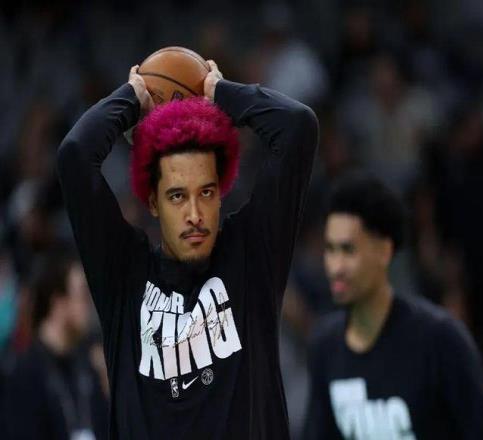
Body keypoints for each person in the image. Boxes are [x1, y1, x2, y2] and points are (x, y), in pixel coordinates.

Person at [56, 59, 318, 439]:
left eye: (206, 193)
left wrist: (219, 93)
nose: (194, 214)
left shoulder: (252, 252)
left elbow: (298, 126)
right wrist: (133, 97)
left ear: (221, 192)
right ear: (152, 202)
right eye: (177, 196)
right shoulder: (124, 275)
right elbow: (75, 154)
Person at [302, 172, 483, 439]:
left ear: (384, 251)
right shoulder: (325, 346)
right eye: (330, 249)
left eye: (348, 250)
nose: (335, 267)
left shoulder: (439, 338)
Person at [3, 250, 108, 439]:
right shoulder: (25, 373)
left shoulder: (88, 365)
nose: (89, 304)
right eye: (82, 295)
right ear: (58, 302)